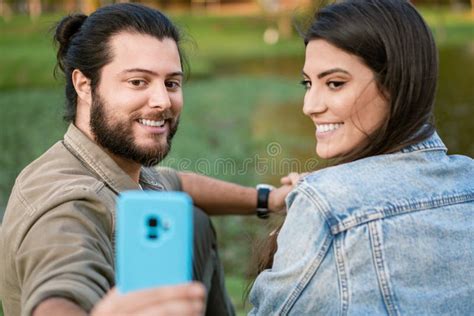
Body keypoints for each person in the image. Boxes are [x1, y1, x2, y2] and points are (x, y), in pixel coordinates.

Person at [0, 3, 298, 316]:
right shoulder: (67, 204)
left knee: (191, 220)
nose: (162, 101)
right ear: (84, 85)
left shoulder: (119, 168)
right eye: (138, 82)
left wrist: (269, 199)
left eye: (171, 83)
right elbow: (58, 291)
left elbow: (178, 182)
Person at [249, 0, 474, 315]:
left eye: (335, 84)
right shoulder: (469, 178)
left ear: (398, 82)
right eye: (308, 83)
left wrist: (298, 221)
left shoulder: (323, 204)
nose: (309, 105)